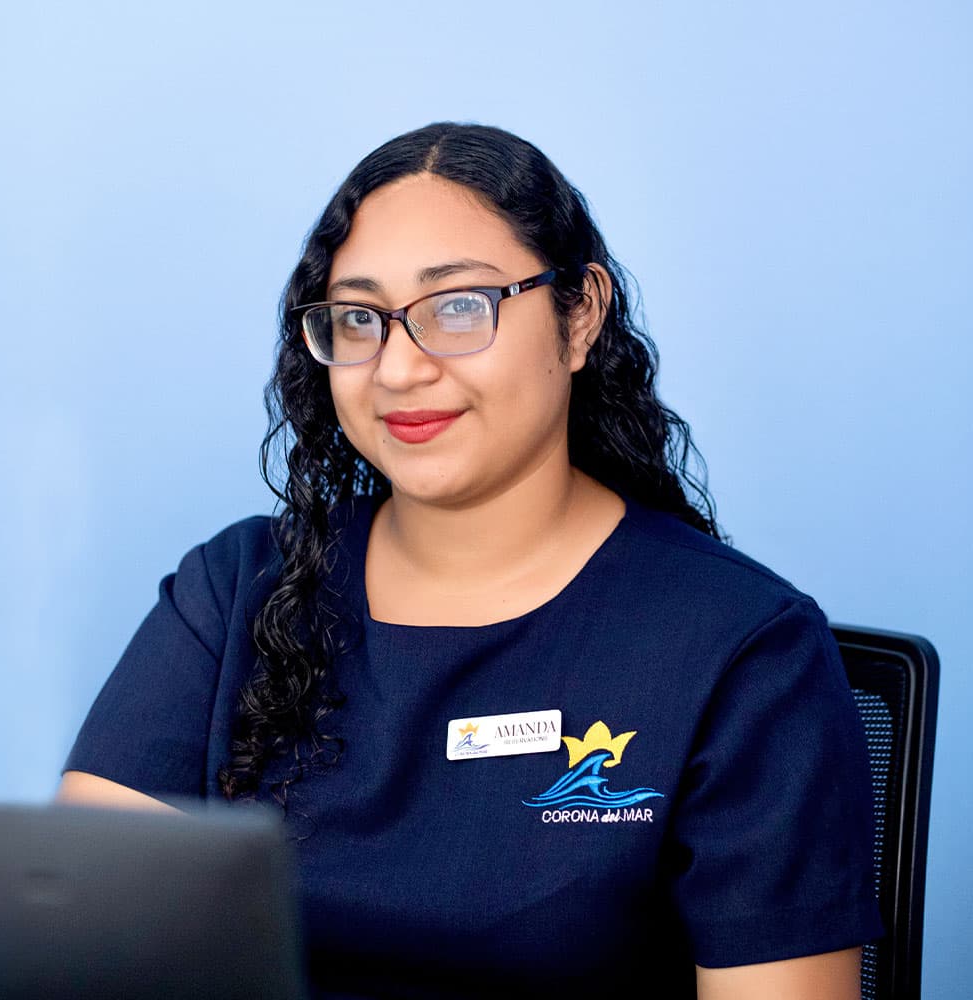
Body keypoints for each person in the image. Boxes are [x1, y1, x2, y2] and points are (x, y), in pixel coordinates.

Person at [58, 122, 882, 998]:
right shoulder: (234, 593)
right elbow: (82, 946)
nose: (400, 369)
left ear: (580, 317)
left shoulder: (742, 647)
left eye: (459, 307)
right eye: (360, 318)